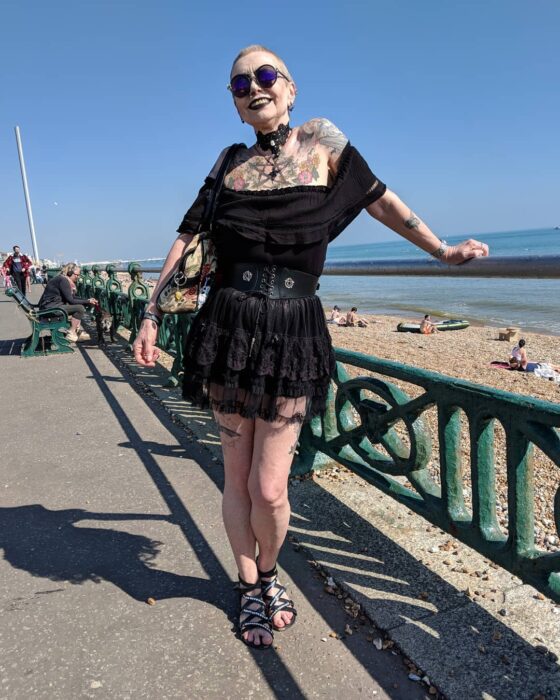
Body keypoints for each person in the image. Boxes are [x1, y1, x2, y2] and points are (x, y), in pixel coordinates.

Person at [132, 44, 489, 650]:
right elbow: (187, 236)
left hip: (293, 328)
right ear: (234, 101)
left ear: (292, 88)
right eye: (240, 83)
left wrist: (441, 251)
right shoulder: (228, 164)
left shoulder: (326, 145)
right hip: (228, 326)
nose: (254, 87)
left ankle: (270, 572)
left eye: (266, 75)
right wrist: (148, 311)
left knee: (271, 487)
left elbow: (383, 201)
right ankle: (250, 586)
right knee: (238, 480)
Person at [38, 263, 96, 342]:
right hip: (51, 309)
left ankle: (76, 332)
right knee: (80, 308)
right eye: (77, 275)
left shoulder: (61, 278)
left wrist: (87, 300)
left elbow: (71, 297)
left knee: (79, 306)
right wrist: (87, 301)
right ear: (70, 273)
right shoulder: (63, 280)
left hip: (48, 306)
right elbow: (71, 300)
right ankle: (71, 333)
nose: (78, 277)